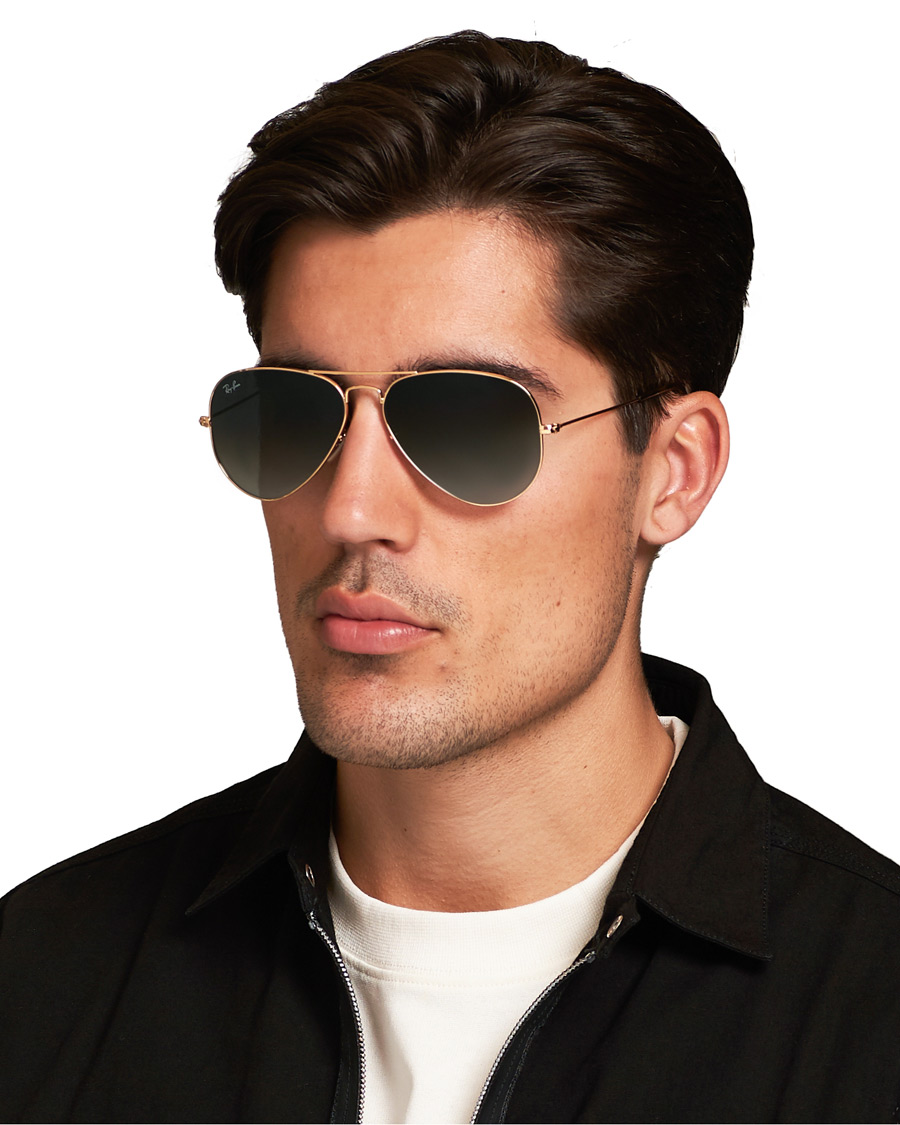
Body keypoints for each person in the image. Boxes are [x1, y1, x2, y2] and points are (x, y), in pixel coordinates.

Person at [1, 29, 898, 1125]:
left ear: (674, 470)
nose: (351, 510)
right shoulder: (45, 981)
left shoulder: (868, 1021)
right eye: (292, 415)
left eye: (470, 422)